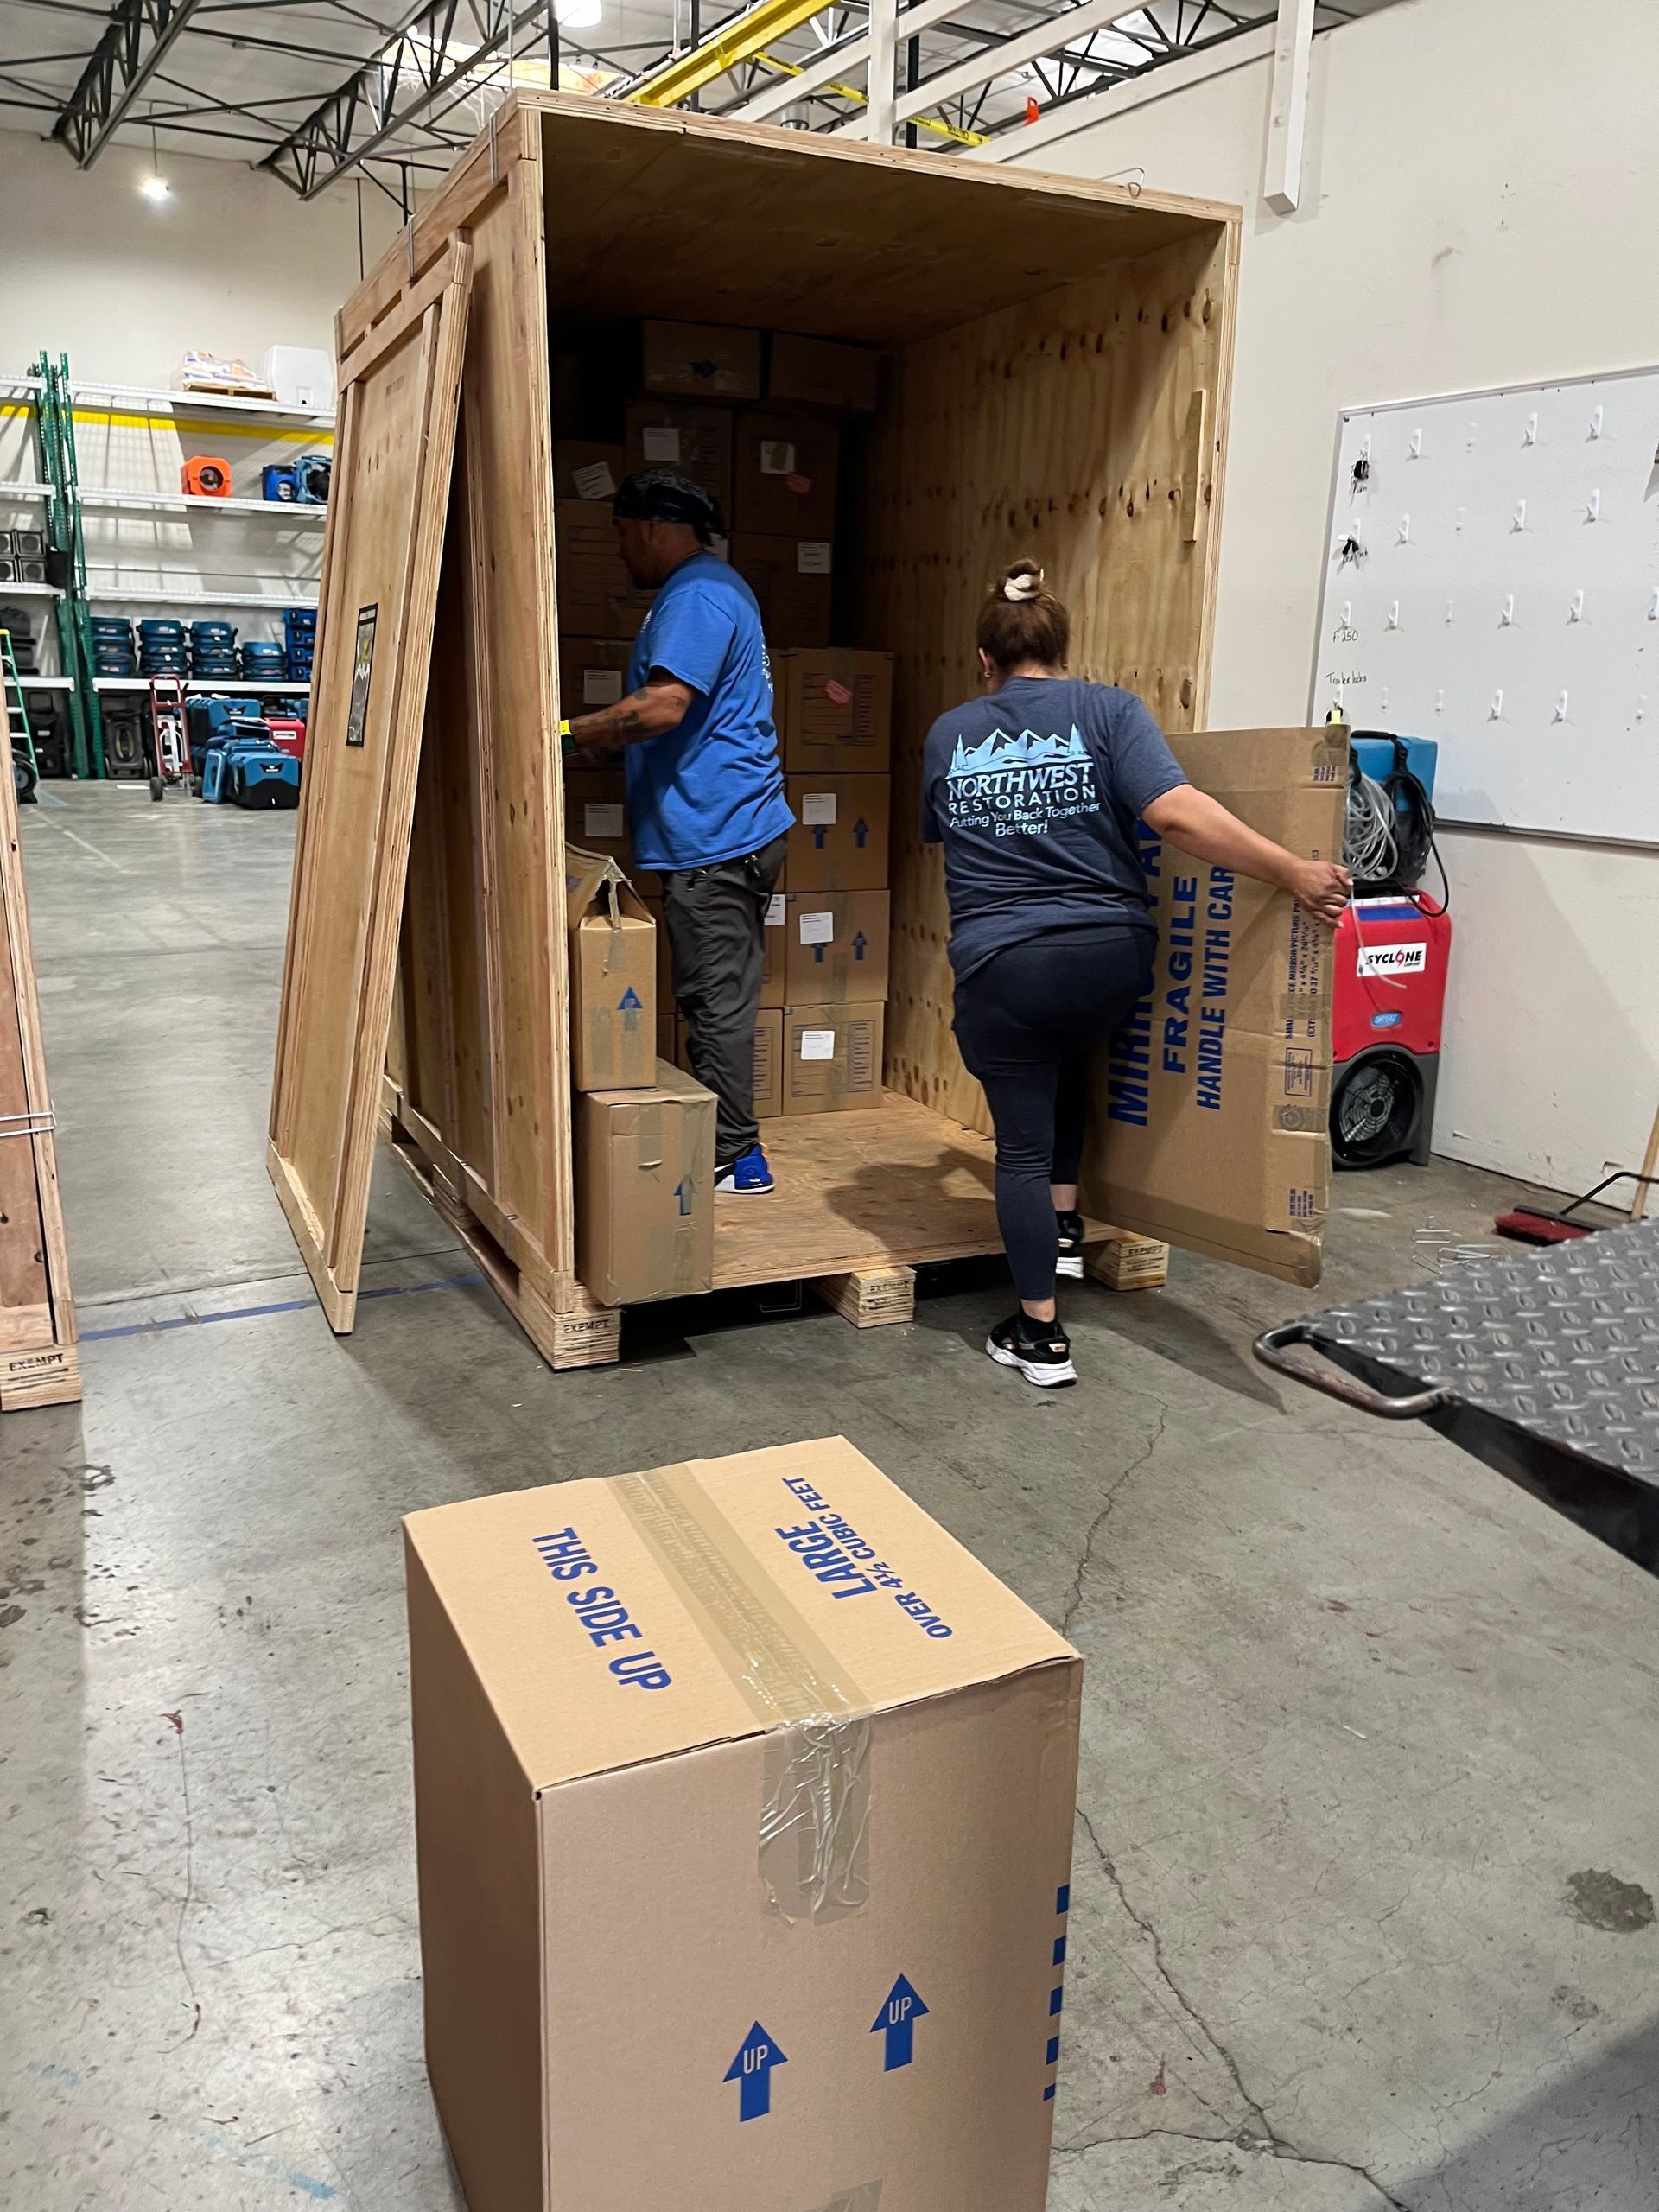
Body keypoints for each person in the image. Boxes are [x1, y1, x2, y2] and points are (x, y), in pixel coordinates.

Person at [920, 561, 1351, 1389]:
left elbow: (945, 834)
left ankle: (1039, 1334)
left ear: (985, 660)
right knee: (1071, 1061)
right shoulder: (1110, 711)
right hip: (1111, 960)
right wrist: (1290, 869)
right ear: (1064, 647)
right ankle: (1067, 1227)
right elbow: (1175, 812)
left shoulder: (950, 733)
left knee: (1018, 1142)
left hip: (1005, 965)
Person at [564, 470, 792, 1195]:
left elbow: (663, 707)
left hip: (717, 836)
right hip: (721, 830)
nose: (622, 549)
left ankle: (737, 1158)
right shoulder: (714, 589)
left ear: (656, 526)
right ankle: (731, 1146)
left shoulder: (695, 594)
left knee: (715, 1000)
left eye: (624, 533)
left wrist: (565, 736)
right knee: (713, 995)